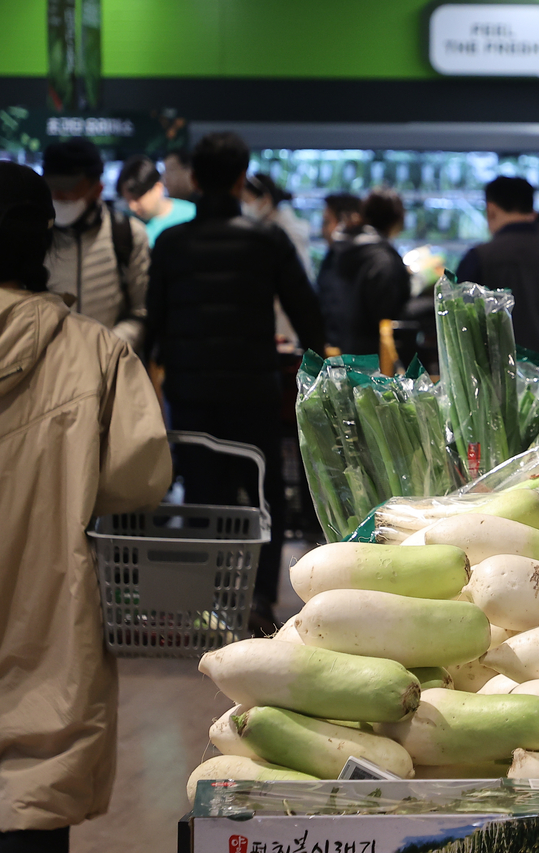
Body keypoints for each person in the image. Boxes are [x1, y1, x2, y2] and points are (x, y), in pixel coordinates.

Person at [0, 161, 171, 853]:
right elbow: (139, 474)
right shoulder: (91, 350)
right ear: (44, 245)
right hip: (50, 596)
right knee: (34, 782)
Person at [146, 132, 326, 634]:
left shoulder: (170, 243)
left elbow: (153, 323)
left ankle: (211, 603)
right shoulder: (267, 240)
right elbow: (308, 314)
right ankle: (261, 602)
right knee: (263, 498)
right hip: (254, 392)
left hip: (192, 396)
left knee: (204, 499)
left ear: (196, 180)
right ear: (243, 178)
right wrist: (316, 367)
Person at [456, 176, 539, 362]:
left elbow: (459, 331)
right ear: (533, 212)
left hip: (496, 384)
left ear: (491, 210)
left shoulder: (479, 259)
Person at [41, 138, 150, 351]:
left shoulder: (127, 235)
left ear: (97, 189)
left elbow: (141, 310)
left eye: (69, 189)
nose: (58, 196)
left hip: (110, 369)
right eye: (52, 187)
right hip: (48, 372)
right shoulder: (33, 236)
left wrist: (107, 349)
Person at [321, 188, 411, 356]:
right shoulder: (383, 259)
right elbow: (387, 315)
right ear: (396, 221)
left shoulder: (343, 248)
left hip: (341, 349)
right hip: (373, 359)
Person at [243, 172, 314, 280]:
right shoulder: (264, 228)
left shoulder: (290, 232)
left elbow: (295, 279)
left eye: (247, 201)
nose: (245, 207)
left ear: (265, 199)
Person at [115, 154, 197, 246]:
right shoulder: (126, 228)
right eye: (127, 201)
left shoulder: (193, 215)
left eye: (137, 199)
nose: (132, 207)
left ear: (158, 188)